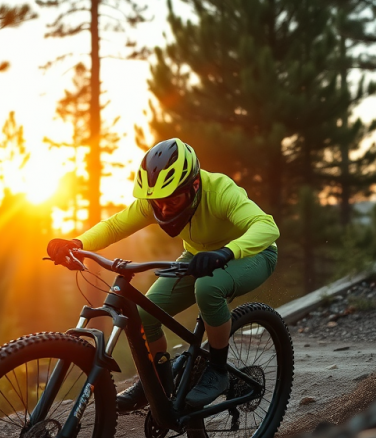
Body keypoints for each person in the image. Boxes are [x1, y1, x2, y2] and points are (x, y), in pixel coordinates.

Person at [47, 137, 279, 413]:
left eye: (172, 200)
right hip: (198, 257)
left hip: (253, 254)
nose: (164, 209)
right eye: (157, 203)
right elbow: (114, 226)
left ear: (193, 186)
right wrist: (77, 243)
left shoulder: (220, 191)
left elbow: (267, 227)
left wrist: (227, 253)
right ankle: (156, 384)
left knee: (208, 288)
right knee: (146, 314)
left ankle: (217, 371)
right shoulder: (157, 200)